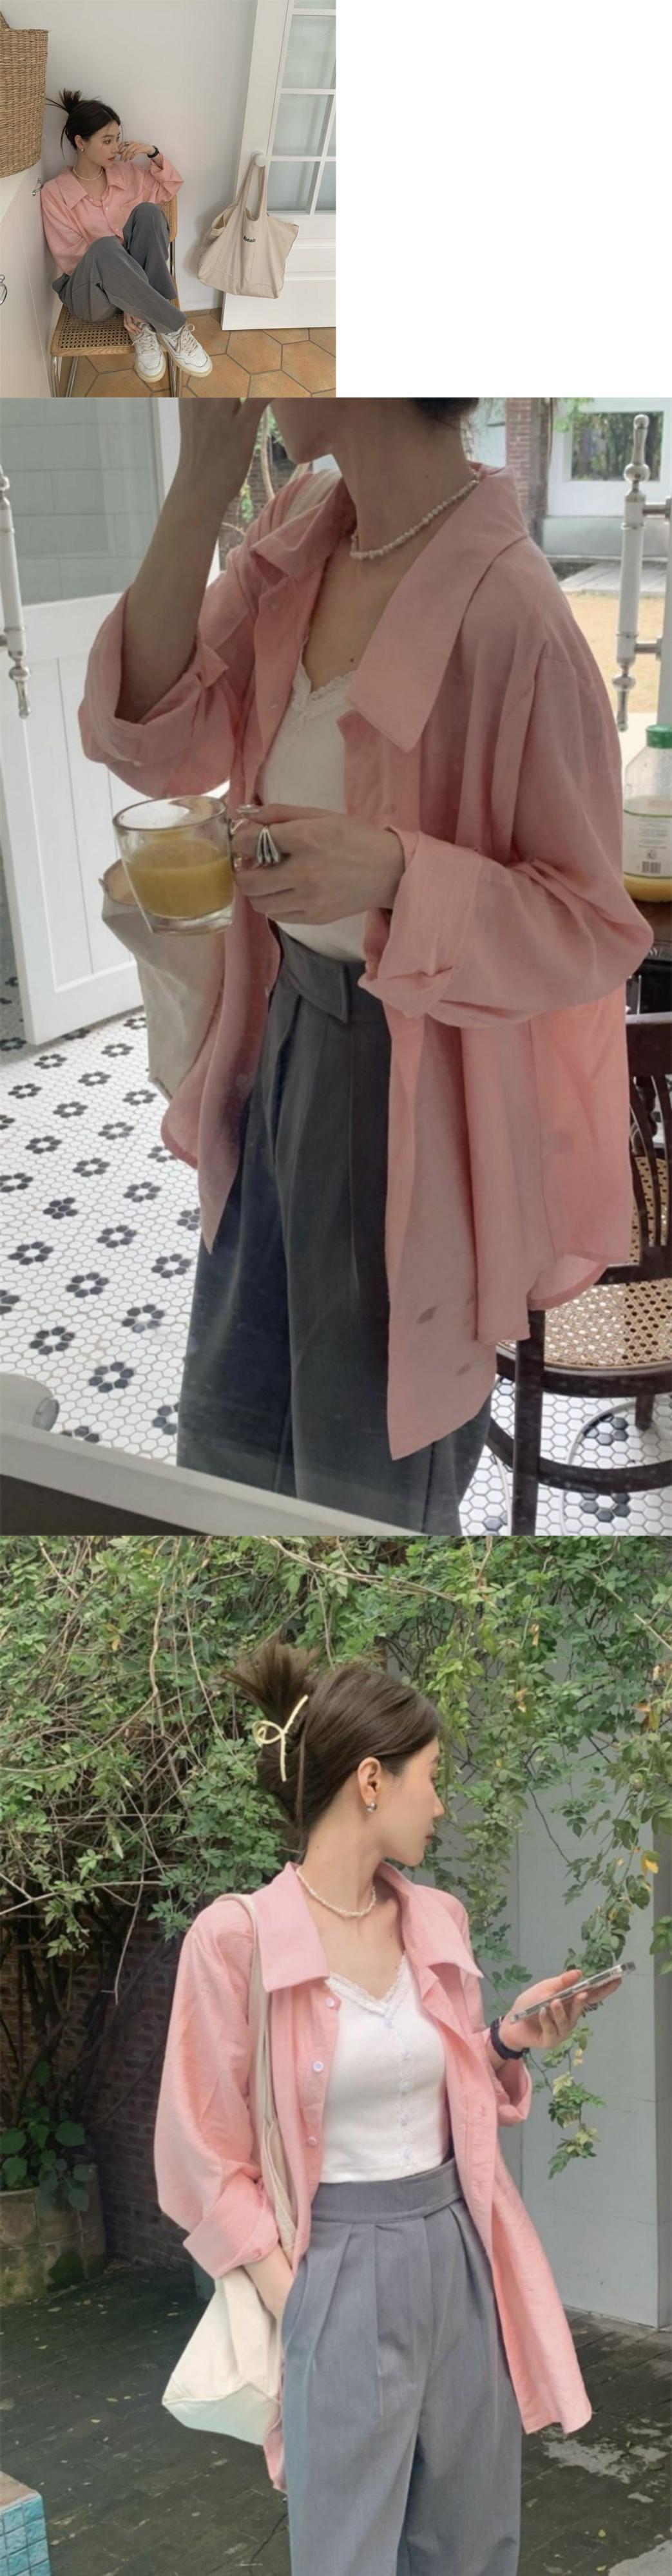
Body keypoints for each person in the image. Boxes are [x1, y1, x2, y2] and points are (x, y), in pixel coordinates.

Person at [81, 397, 650, 1532]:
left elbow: (591, 929)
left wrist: (393, 869)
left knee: (361, 1477)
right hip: (275, 1024)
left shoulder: (513, 612)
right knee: (230, 1424)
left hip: (416, 1082)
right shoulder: (301, 531)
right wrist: (201, 478)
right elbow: (145, 734)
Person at [153, 1636, 623, 2576]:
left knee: (471, 2539)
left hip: (456, 2248)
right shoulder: (235, 1939)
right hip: (334, 2265)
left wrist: (508, 2040)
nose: (439, 1803)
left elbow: (433, 2088)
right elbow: (200, 2153)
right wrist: (298, 2297)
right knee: (348, 2551)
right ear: (371, 1779)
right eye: (430, 1776)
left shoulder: (435, 1921)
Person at [41, 91, 211, 385]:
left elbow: (170, 187)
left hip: (135, 285)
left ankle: (143, 324)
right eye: (107, 141)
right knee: (105, 247)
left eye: (117, 139)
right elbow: (73, 260)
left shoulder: (128, 174)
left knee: (149, 213)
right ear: (81, 142)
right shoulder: (55, 194)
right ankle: (172, 327)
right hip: (91, 295)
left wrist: (153, 153)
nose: (116, 148)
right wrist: (129, 294)